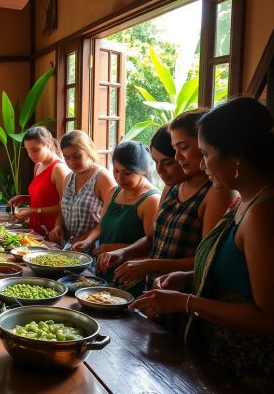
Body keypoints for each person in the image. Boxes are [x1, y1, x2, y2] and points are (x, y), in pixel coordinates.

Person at [131, 97, 274, 392]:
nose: (202, 163)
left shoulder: (263, 213)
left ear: (237, 157)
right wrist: (189, 276)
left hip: (249, 369)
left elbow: (268, 317)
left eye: (206, 154)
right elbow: (238, 275)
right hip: (218, 354)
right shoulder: (245, 202)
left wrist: (185, 302)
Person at [110, 112, 236, 288]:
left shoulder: (216, 192)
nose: (160, 170)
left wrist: (151, 265)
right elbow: (152, 238)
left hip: (182, 293)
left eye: (167, 162)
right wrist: (123, 252)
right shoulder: (172, 187)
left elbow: (207, 260)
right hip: (157, 289)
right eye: (156, 162)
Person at [94, 140, 160, 297]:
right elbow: (103, 226)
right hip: (107, 269)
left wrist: (114, 248)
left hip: (131, 276)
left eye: (127, 173)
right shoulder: (113, 192)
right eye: (116, 171)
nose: (119, 178)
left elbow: (153, 247)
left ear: (143, 170)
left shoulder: (151, 200)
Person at [47, 130, 115, 252]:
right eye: (66, 158)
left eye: (77, 156)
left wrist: (84, 239)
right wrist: (58, 226)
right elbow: (63, 208)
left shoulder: (102, 178)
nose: (71, 162)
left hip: (92, 247)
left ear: (89, 151)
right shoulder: (69, 177)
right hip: (68, 246)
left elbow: (109, 219)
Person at [9, 126, 71, 235]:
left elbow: (65, 206)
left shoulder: (58, 169)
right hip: (36, 227)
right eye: (28, 151)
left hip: (52, 230)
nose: (31, 155)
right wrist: (24, 198)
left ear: (47, 144)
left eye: (35, 150)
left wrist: (34, 211)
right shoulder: (38, 165)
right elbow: (45, 197)